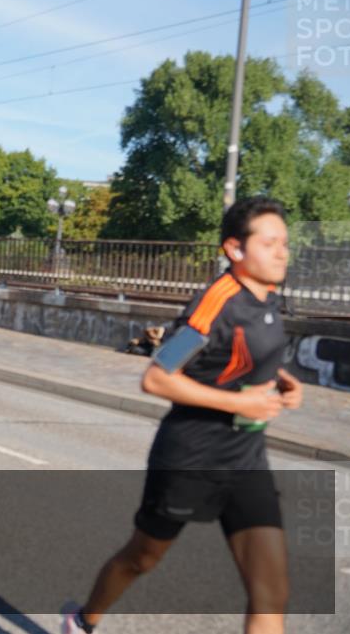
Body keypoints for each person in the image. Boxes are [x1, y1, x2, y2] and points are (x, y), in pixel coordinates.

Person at [63, 197, 303, 634]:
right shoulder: (216, 302)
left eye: (285, 243)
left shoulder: (268, 298)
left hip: (246, 460)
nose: (282, 252)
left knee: (271, 594)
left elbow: (241, 355)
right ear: (234, 250)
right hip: (190, 458)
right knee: (142, 558)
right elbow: (157, 377)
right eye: (269, 243)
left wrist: (282, 378)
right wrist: (241, 403)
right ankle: (83, 621)